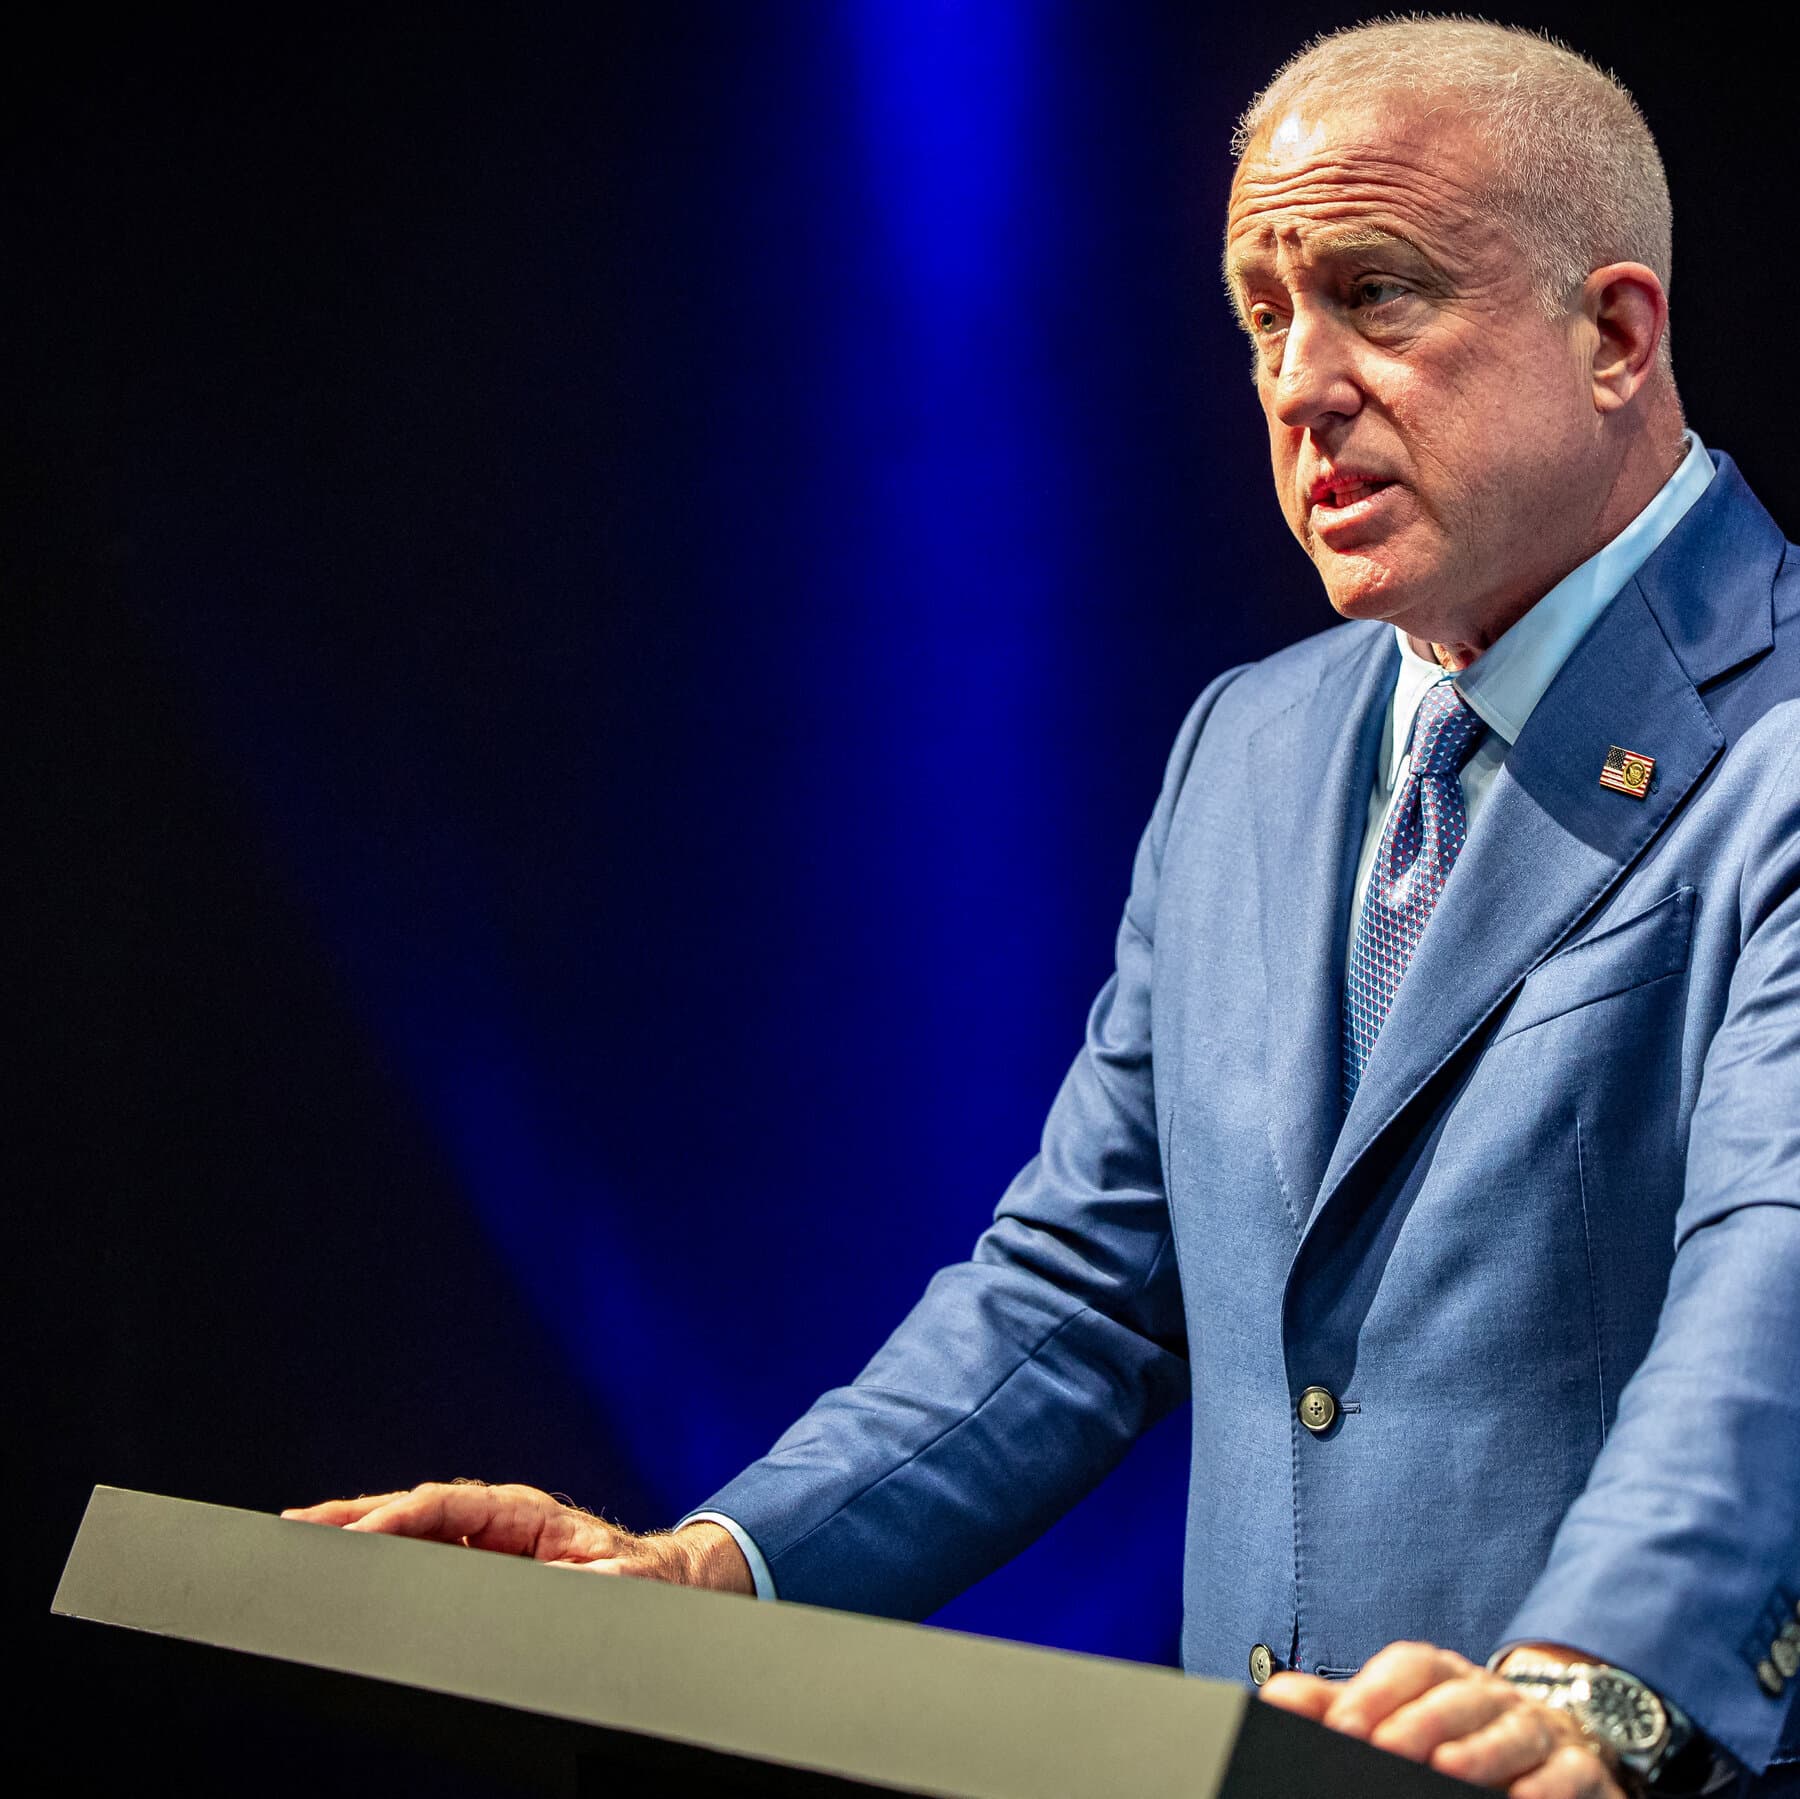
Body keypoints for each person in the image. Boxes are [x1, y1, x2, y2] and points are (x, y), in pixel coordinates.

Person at [286, 20, 1800, 1797]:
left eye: (1375, 295)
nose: (1300, 383)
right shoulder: (1250, 748)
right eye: (1263, 315)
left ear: (1614, 334)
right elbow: (1083, 1288)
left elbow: (1775, 1263)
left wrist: (1602, 1685)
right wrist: (712, 1574)